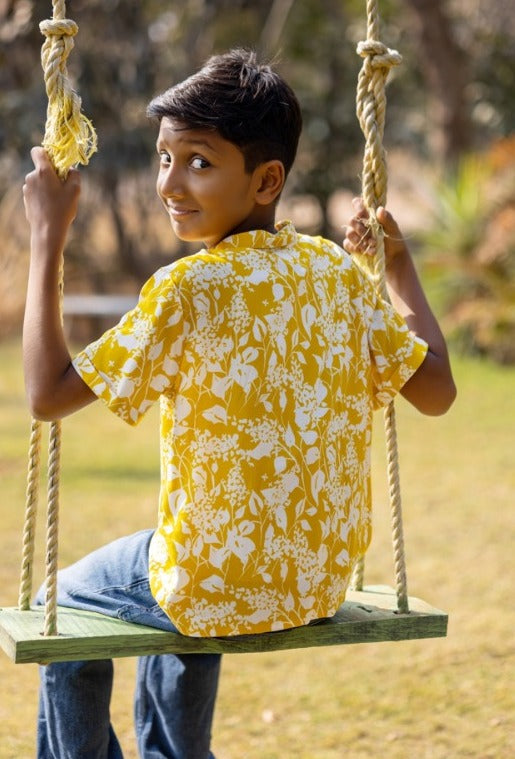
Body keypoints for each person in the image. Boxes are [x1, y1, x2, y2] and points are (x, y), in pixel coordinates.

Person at [22, 48, 456, 759]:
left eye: (198, 161)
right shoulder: (333, 273)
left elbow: (45, 395)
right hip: (313, 579)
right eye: (164, 158)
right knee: (187, 567)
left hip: (216, 576)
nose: (171, 183)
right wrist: (399, 273)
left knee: (61, 599)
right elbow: (437, 391)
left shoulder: (186, 288)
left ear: (266, 179)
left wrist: (48, 237)